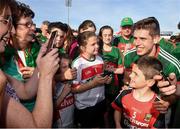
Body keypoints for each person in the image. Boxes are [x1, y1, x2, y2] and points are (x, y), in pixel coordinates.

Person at [0, 0, 60, 127]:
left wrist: (39, 66)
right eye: (6, 21)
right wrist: (46, 76)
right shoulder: (4, 57)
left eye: (32, 24)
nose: (12, 31)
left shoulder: (34, 49)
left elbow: (25, 92)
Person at [123, 17, 180, 127]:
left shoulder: (171, 64)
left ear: (156, 39)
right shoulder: (129, 55)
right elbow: (126, 79)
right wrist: (127, 85)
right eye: (135, 38)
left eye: (143, 39)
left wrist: (167, 101)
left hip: (158, 111)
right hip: (133, 107)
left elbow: (177, 93)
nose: (136, 43)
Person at [1, 1, 41, 111]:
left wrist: (38, 74)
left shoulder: (37, 50)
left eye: (32, 24)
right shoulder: (3, 54)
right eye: (27, 24)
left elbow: (51, 87)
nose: (33, 28)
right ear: (13, 27)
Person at [112, 56, 165, 128]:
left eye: (136, 74)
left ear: (150, 82)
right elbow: (117, 109)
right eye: (132, 72)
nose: (130, 75)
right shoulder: (124, 93)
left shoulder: (158, 106)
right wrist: (118, 124)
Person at [71, 31, 111, 128]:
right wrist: (93, 84)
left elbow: (101, 79)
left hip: (100, 102)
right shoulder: (77, 64)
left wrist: (107, 80)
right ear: (82, 47)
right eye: (93, 44)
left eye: (97, 43)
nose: (97, 46)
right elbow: (73, 89)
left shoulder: (100, 59)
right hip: (85, 107)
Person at [98, 25, 124, 127]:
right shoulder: (97, 50)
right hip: (99, 87)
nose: (108, 37)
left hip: (114, 86)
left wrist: (108, 69)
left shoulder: (116, 50)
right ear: (101, 36)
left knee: (114, 111)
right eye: (105, 35)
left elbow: (121, 70)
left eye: (110, 35)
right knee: (102, 112)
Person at [53, 54, 74, 128]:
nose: (69, 69)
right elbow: (51, 108)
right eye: (64, 67)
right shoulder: (54, 86)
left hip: (71, 123)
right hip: (59, 125)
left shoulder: (72, 82)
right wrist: (63, 94)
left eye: (69, 66)